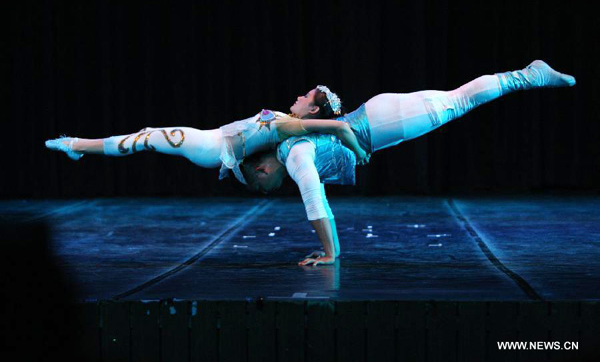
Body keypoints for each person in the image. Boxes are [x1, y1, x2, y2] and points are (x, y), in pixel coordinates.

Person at [238, 60, 577, 266]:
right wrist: (333, 251)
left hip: (380, 122)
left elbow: (315, 199)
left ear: (261, 169)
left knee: (459, 101)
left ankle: (529, 76)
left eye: (257, 186)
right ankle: (528, 75)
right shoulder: (291, 142)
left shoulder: (292, 153)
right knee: (457, 99)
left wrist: (331, 253)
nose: (263, 191)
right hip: (379, 120)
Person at [45, 86, 370, 184]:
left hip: (206, 145)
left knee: (141, 140)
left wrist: (359, 151)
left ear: (313, 110)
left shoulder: (294, 125)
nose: (299, 96)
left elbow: (341, 126)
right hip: (208, 142)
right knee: (144, 135)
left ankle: (74, 145)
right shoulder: (288, 122)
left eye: (306, 97)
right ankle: (78, 147)